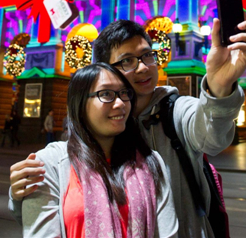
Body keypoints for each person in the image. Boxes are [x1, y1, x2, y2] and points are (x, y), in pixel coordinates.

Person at [9, 18, 246, 238]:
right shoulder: (80, 140)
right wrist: (22, 191)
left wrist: (220, 89)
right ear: (103, 69)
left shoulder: (175, 110)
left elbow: (212, 137)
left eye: (147, 55)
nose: (142, 67)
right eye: (127, 60)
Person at [22, 63, 178, 238]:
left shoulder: (152, 161)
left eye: (124, 93)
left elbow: (167, 233)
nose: (120, 103)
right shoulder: (48, 164)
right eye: (106, 94)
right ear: (80, 103)